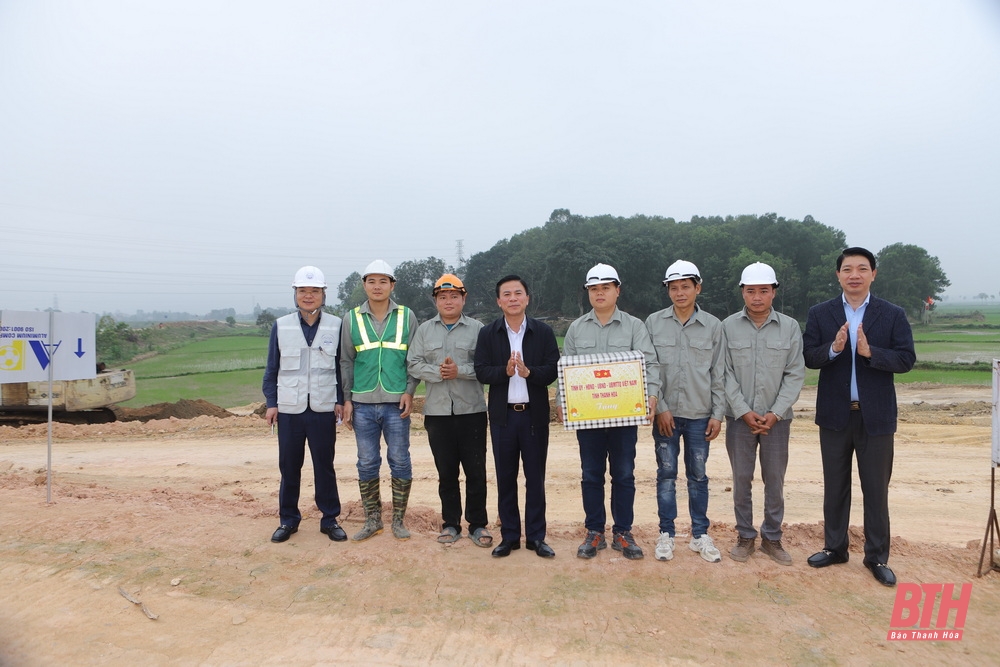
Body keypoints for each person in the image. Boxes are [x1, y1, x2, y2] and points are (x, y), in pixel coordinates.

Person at [803, 247, 915, 586]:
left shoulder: (891, 314)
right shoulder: (821, 313)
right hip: (835, 416)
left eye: (862, 268)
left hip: (876, 417)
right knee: (835, 486)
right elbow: (810, 356)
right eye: (848, 268)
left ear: (873, 274)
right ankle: (835, 548)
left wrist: (869, 352)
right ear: (838, 275)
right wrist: (835, 348)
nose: (854, 274)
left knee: (876, 489)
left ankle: (877, 556)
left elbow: (906, 359)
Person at [560, 263, 659, 561]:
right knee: (591, 475)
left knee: (624, 474)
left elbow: (649, 364)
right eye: (593, 289)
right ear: (588, 293)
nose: (599, 293)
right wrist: (563, 404)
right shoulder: (577, 328)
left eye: (605, 287)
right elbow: (566, 370)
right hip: (589, 418)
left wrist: (652, 394)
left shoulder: (634, 326)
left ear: (618, 290)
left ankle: (623, 532)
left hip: (623, 416)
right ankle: (594, 532)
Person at [721, 262, 805, 565]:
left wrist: (775, 412)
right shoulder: (728, 327)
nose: (757, 297)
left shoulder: (790, 327)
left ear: (774, 292)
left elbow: (795, 374)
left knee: (775, 480)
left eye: (764, 291)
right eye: (751, 290)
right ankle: (745, 536)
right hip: (738, 420)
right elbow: (724, 373)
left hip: (777, 422)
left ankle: (772, 538)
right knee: (741, 479)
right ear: (742, 292)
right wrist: (743, 411)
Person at [644, 260, 726, 564]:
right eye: (674, 287)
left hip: (700, 413)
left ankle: (699, 534)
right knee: (666, 474)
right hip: (666, 415)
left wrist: (718, 413)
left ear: (697, 288)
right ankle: (666, 533)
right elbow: (649, 368)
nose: (680, 292)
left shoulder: (713, 326)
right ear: (668, 291)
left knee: (699, 475)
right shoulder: (653, 323)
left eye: (685, 287)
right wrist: (661, 407)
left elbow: (719, 374)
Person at [474, 275, 560, 558]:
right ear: (499, 301)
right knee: (505, 477)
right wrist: (506, 372)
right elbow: (481, 370)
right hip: (503, 417)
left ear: (527, 298)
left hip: (533, 416)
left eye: (518, 293)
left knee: (535, 479)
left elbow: (552, 369)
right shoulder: (488, 333)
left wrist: (528, 372)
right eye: (507, 294)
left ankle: (536, 537)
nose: (513, 298)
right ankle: (509, 536)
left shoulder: (543, 332)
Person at [262, 266, 346, 544]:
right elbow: (272, 368)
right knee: (289, 466)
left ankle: (329, 518)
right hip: (289, 408)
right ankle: (288, 520)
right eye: (302, 291)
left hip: (323, 408)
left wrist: (341, 400)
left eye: (314, 291)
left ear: (323, 294)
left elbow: (340, 367)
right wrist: (271, 403)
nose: (308, 296)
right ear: (295, 294)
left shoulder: (337, 325)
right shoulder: (281, 325)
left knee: (324, 465)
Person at [407, 274, 492, 547]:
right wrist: (439, 372)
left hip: (472, 412)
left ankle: (478, 524)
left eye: (454, 296)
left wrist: (460, 372)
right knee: (446, 472)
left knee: (476, 471)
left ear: (464, 299)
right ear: (435, 301)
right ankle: (451, 524)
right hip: (438, 413)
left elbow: (486, 367)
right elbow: (413, 363)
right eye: (442, 297)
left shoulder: (479, 329)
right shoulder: (424, 330)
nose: (448, 301)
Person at [340, 259, 419, 541]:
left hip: (396, 402)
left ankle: (398, 520)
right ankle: (373, 520)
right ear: (364, 285)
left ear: (392, 285)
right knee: (367, 461)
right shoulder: (352, 318)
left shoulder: (407, 316)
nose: (377, 286)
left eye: (383, 281)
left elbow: (414, 358)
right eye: (371, 281)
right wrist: (347, 399)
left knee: (399, 460)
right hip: (362, 404)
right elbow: (346, 361)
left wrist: (410, 390)